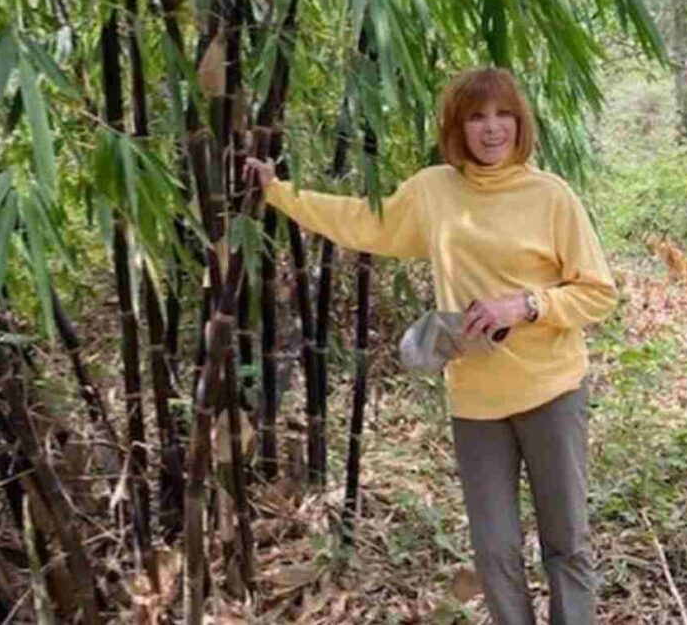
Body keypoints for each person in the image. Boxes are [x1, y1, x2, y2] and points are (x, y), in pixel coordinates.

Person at [244, 66, 616, 625]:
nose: (492, 129)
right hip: (475, 400)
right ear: (457, 129)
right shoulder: (434, 191)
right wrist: (278, 193)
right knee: (495, 551)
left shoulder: (551, 197)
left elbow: (596, 293)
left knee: (566, 541)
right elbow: (361, 221)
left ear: (521, 123)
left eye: (503, 115)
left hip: (551, 390)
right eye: (476, 117)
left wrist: (527, 305)